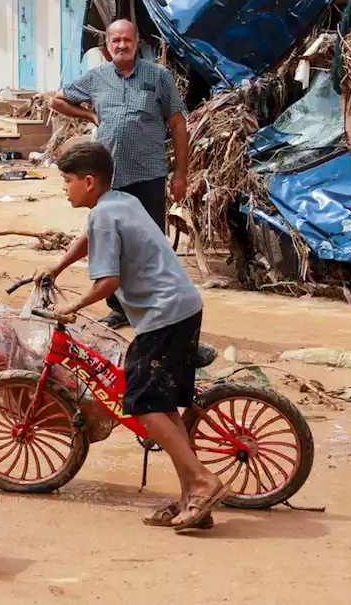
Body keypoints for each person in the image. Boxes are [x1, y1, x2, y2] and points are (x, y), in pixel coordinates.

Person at [35, 143, 226, 532]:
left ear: (89, 182)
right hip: (182, 306)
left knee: (139, 403)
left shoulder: (105, 217)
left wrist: (73, 308)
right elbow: (90, 238)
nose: (64, 189)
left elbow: (108, 281)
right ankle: (192, 494)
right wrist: (57, 266)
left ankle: (204, 481)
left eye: (68, 181)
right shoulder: (118, 202)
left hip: (163, 314)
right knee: (162, 405)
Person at [51, 19, 190, 328]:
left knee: (149, 245)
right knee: (109, 243)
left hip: (148, 174)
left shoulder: (158, 76)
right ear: (108, 45)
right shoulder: (96, 78)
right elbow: (57, 100)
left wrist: (181, 174)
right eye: (116, 41)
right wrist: (88, 113)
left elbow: (179, 125)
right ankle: (119, 308)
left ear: (137, 42)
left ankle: (158, 307)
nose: (122, 45)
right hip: (108, 179)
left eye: (127, 39)